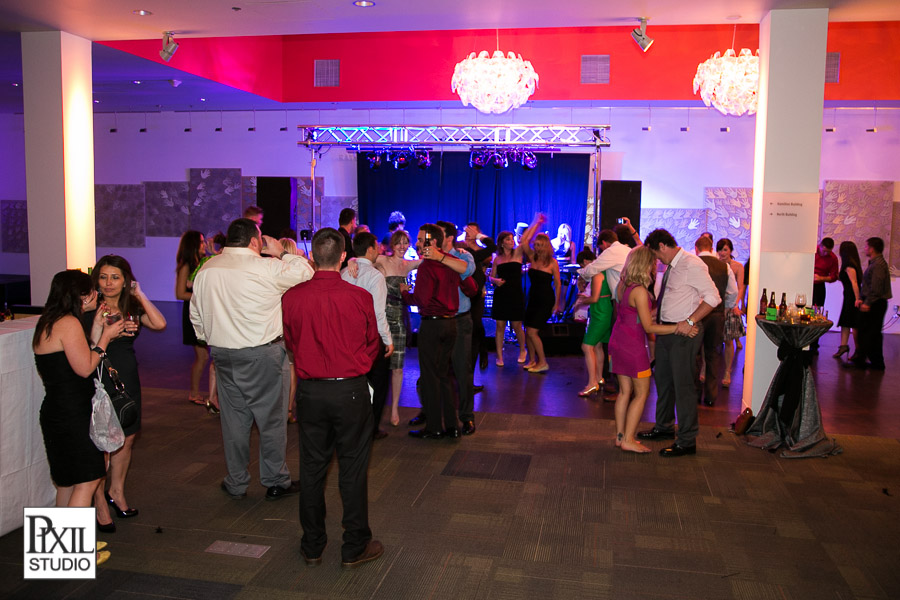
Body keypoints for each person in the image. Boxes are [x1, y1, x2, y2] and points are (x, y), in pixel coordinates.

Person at [282, 227, 384, 569]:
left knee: (312, 469)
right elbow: (373, 344)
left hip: (311, 391)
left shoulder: (292, 297)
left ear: (312, 256)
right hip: (350, 390)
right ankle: (354, 546)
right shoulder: (359, 296)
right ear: (343, 257)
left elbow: (291, 344)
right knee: (353, 470)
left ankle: (312, 545)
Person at [191, 217, 314, 500]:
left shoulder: (207, 269)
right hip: (263, 355)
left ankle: (236, 481)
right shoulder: (266, 267)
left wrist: (212, 339)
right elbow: (306, 271)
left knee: (233, 422)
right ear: (255, 241)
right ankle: (275, 480)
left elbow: (196, 315)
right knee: (271, 421)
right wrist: (281, 252)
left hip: (222, 354)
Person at [33, 270, 125, 564]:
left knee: (67, 482)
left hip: (57, 410)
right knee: (88, 478)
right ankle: (70, 554)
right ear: (81, 295)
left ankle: (57, 552)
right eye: (93, 291)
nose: (98, 295)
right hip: (72, 412)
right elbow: (85, 368)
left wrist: (97, 329)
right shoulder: (69, 323)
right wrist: (107, 337)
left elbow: (75, 358)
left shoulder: (49, 321)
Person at [86, 255, 167, 529]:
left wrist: (140, 295)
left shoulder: (130, 306)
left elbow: (159, 323)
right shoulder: (89, 306)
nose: (108, 283)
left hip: (127, 376)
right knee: (102, 443)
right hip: (99, 376)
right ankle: (98, 502)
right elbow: (85, 347)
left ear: (126, 281)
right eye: (104, 277)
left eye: (115, 277)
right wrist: (107, 331)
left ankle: (116, 491)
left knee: (127, 438)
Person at [637, 229, 720, 457]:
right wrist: (658, 315)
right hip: (666, 330)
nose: (656, 259)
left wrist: (690, 320)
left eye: (655, 254)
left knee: (684, 387)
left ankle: (687, 440)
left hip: (684, 334)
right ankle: (663, 427)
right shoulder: (673, 266)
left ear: (662, 246)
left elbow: (714, 298)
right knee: (663, 381)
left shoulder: (692, 264)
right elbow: (675, 297)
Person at [609, 247, 687, 453]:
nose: (655, 266)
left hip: (618, 341)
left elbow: (631, 316)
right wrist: (678, 327)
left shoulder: (622, 285)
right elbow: (649, 327)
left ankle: (620, 436)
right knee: (642, 393)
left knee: (625, 392)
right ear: (645, 265)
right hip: (633, 347)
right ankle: (628, 439)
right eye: (653, 263)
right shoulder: (640, 291)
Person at [402, 224, 462, 439]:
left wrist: (403, 293)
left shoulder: (428, 266)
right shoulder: (452, 263)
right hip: (451, 323)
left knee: (430, 377)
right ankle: (453, 426)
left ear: (433, 242)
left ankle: (435, 427)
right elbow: (471, 286)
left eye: (420, 239)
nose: (416, 243)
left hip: (433, 325)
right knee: (444, 376)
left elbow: (420, 299)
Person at [342, 232, 394, 439]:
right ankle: (370, 428)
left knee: (354, 382)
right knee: (378, 384)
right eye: (377, 247)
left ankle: (353, 424)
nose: (380, 249)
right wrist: (388, 340)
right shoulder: (375, 276)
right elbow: (378, 312)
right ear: (371, 249)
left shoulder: (344, 272)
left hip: (348, 337)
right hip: (370, 338)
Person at [435, 221, 478, 435]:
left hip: (459, 319)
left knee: (462, 369)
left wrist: (442, 256)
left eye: (439, 233)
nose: (433, 237)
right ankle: (431, 414)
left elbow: (468, 270)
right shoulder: (429, 256)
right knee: (433, 371)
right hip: (436, 320)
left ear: (450, 237)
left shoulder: (463, 255)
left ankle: (467, 417)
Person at [491, 219, 541, 366]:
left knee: (517, 325)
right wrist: (495, 281)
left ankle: (522, 350)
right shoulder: (497, 259)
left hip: (515, 293)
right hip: (501, 294)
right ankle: (499, 356)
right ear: (501, 243)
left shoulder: (518, 252)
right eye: (508, 239)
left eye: (512, 238)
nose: (511, 241)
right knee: (499, 326)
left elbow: (526, 238)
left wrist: (536, 223)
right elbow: (491, 277)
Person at [694, 236, 736, 406]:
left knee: (695, 355)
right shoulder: (725, 267)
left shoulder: (692, 263)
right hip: (717, 314)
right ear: (712, 249)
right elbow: (732, 292)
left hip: (696, 315)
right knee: (713, 354)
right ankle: (711, 395)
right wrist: (726, 308)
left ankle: (695, 393)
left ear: (696, 248)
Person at [175, 230, 213, 408]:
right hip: (192, 314)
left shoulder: (201, 263)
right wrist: (200, 295)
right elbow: (180, 293)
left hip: (200, 312)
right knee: (203, 356)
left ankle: (196, 392)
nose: (204, 244)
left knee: (204, 356)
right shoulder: (186, 266)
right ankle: (194, 393)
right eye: (201, 242)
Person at [522, 215, 563, 373]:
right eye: (536, 245)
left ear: (546, 246)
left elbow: (558, 284)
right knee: (528, 330)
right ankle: (532, 360)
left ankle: (543, 361)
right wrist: (536, 223)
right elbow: (524, 241)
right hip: (532, 297)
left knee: (533, 332)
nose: (537, 247)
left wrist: (557, 303)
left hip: (546, 299)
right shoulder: (532, 257)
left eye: (540, 245)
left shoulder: (552, 262)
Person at [847, 237, 891, 371]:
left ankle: (867, 362)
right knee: (871, 333)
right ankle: (873, 362)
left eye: (866, 247)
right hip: (874, 302)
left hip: (875, 303)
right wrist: (862, 298)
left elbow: (876, 288)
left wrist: (867, 302)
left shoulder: (877, 265)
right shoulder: (877, 263)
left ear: (872, 249)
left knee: (869, 333)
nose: (865, 249)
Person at [461, 222, 497, 376]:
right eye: (467, 230)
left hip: (478, 292)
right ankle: (478, 351)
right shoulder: (460, 248)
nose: (469, 233)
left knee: (476, 323)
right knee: (470, 325)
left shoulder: (481, 251)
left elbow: (491, 249)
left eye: (473, 231)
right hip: (463, 293)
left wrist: (479, 237)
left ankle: (481, 351)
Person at [574, 260, 612, 397]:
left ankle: (592, 383)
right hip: (605, 309)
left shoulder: (597, 275)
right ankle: (599, 378)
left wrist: (581, 300)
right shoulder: (606, 273)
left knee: (587, 346)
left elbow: (594, 298)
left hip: (600, 311)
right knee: (598, 346)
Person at [280, 237, 306, 424]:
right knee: (292, 370)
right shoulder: (296, 273)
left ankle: (279, 408)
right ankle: (288, 409)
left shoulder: (272, 270)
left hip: (274, 325)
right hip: (291, 325)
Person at [716, 238, 745, 386]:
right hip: (715, 305)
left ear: (731, 251)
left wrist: (735, 304)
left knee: (728, 339)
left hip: (731, 305)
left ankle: (727, 371)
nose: (722, 253)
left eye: (725, 250)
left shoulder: (738, 267)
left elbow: (740, 288)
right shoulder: (714, 265)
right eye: (720, 249)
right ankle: (703, 369)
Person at [833, 241, 862, 360]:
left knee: (852, 322)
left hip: (851, 297)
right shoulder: (852, 263)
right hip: (849, 295)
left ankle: (858, 349)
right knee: (846, 321)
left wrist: (857, 298)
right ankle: (843, 346)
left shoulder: (849, 265)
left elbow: (854, 283)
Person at [811, 237, 839, 352]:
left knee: (817, 314)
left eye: (828, 251)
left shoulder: (833, 258)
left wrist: (821, 278)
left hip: (819, 286)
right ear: (821, 246)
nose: (826, 253)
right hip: (806, 283)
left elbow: (834, 277)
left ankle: (814, 344)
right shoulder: (812, 251)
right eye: (824, 250)